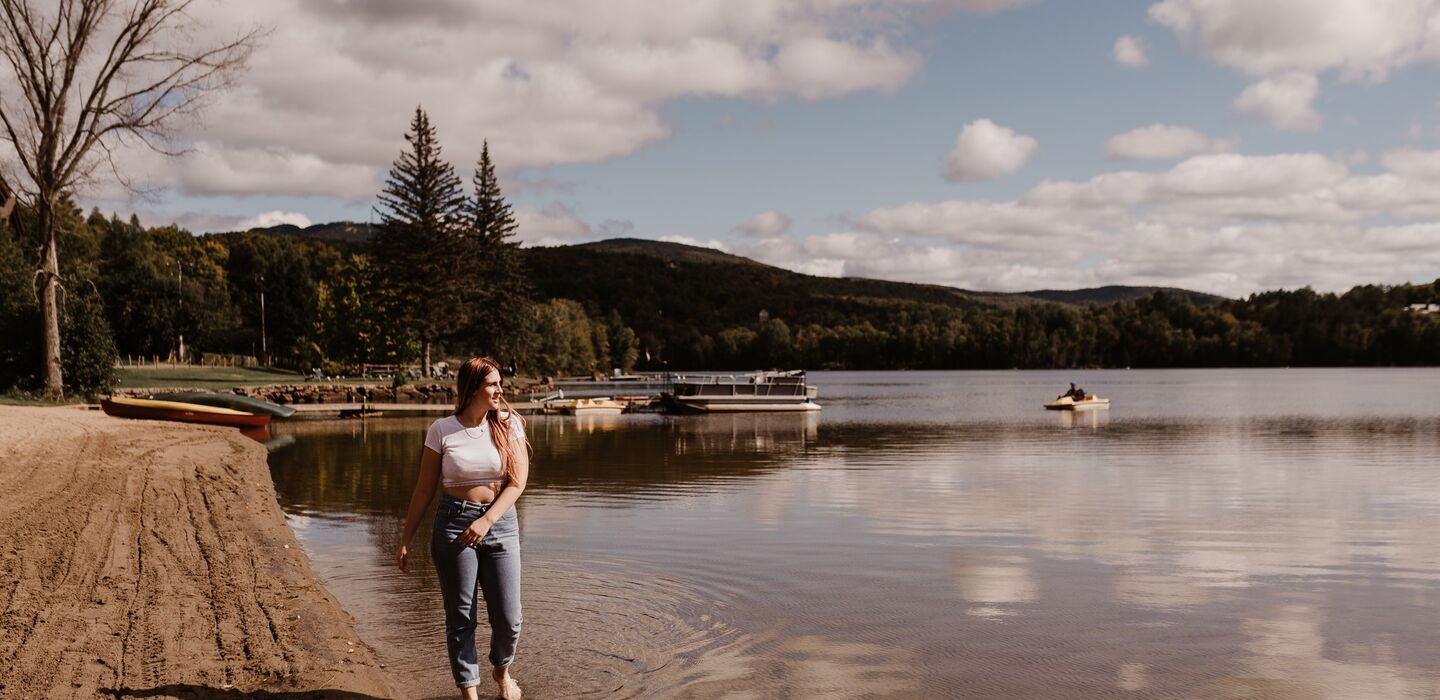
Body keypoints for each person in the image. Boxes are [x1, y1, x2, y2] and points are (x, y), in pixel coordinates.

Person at [397, 357, 530, 699]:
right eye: (492, 384)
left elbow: (517, 483)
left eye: (500, 383)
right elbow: (424, 488)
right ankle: (469, 692)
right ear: (472, 388)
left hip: (499, 525)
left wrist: (486, 520)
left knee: (509, 618)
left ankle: (502, 672)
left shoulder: (508, 424)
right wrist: (406, 537)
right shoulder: (441, 430)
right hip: (454, 525)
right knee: (461, 616)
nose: (500, 390)